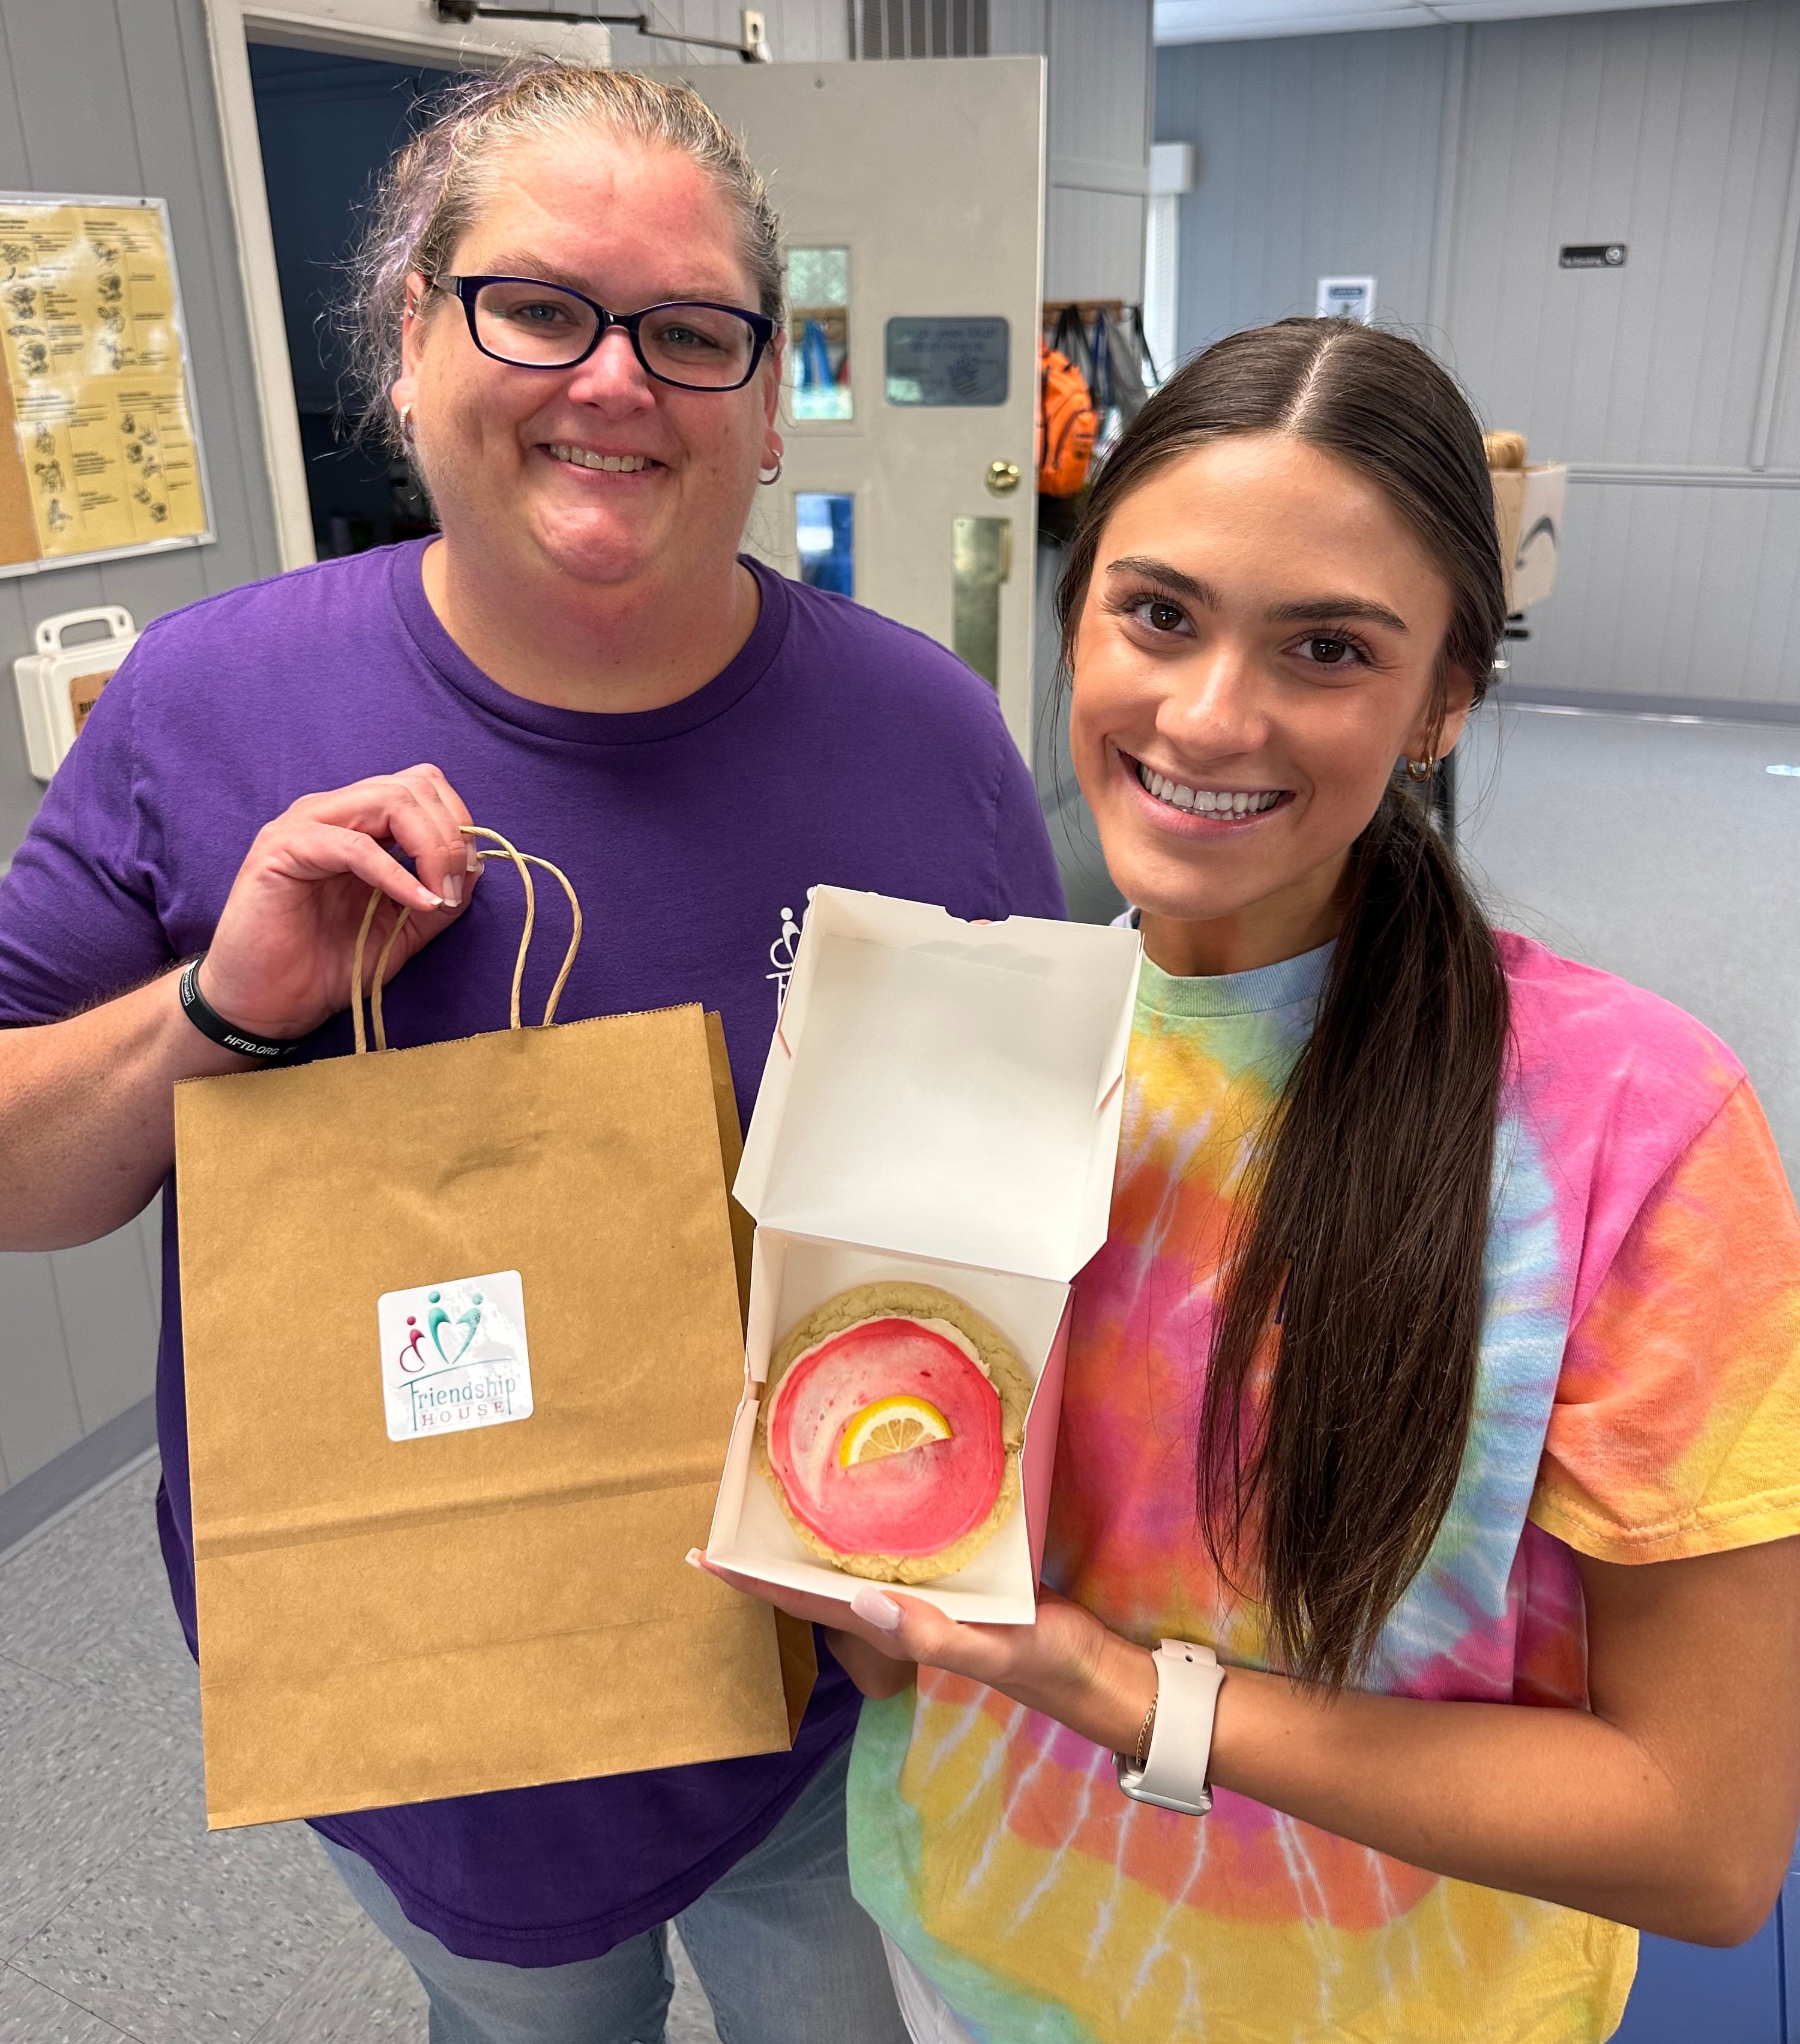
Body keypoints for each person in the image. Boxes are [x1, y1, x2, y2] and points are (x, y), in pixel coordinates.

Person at [0, 64, 1062, 2044]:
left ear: (764, 395)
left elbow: (1005, 1220)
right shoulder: (209, 707)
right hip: (429, 1691)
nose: (614, 382)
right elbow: (20, 1181)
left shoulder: (922, 739)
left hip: (814, 1696)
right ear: (413, 337)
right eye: (539, 307)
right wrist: (222, 1012)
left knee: (827, 2004)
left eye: (689, 333)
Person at [704, 319, 1800, 2043]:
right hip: (989, 1955)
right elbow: (911, 1633)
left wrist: (1129, 1696)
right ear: (1077, 621)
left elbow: (1707, 1832)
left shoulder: (1631, 1124)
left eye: (1328, 649)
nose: (1212, 713)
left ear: (1444, 696)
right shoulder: (961, 1045)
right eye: (1159, 614)